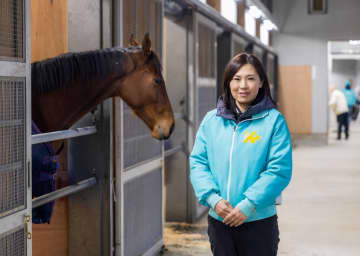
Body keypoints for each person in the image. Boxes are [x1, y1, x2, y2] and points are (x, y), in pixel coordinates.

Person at [189, 53, 292, 256]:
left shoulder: (274, 121)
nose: (243, 85)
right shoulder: (212, 120)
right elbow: (198, 162)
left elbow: (278, 170)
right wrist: (213, 200)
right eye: (237, 79)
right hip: (220, 221)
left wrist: (248, 205)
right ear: (228, 83)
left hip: (258, 222)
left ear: (261, 83)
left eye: (250, 78)